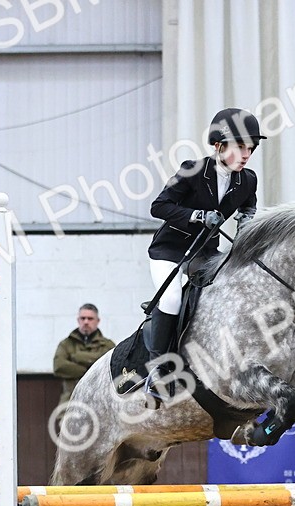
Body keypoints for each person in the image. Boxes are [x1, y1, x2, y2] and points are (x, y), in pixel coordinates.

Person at [143, 107, 265, 400]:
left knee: (228, 293)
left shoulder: (247, 180)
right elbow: (158, 207)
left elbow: (248, 204)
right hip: (170, 250)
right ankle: (158, 369)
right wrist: (197, 215)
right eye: (240, 147)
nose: (247, 155)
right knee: (171, 299)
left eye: (251, 148)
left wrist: (246, 220)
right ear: (219, 146)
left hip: (205, 252)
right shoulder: (192, 170)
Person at [52, 304, 116, 404]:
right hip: (70, 401)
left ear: (97, 321)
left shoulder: (107, 345)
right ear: (78, 320)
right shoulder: (66, 344)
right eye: (83, 318)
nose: (86, 322)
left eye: (90, 318)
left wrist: (77, 357)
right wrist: (92, 370)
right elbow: (59, 366)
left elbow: (113, 369)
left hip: (100, 402)